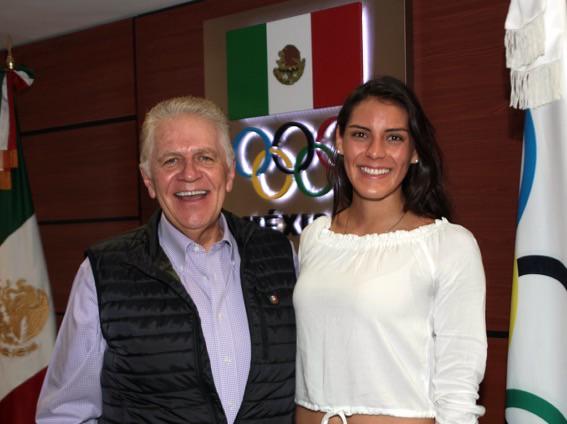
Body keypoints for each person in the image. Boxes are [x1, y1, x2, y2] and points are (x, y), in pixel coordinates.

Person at [36, 96, 297, 424]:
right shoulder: (104, 274)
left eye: (205, 157)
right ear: (149, 180)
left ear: (229, 173)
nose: (189, 174)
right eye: (171, 160)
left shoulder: (280, 257)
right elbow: (65, 414)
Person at [293, 76, 487, 424]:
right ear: (339, 141)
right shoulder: (314, 239)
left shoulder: (448, 246)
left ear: (415, 151)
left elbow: (458, 391)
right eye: (360, 134)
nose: (375, 152)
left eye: (394, 137)